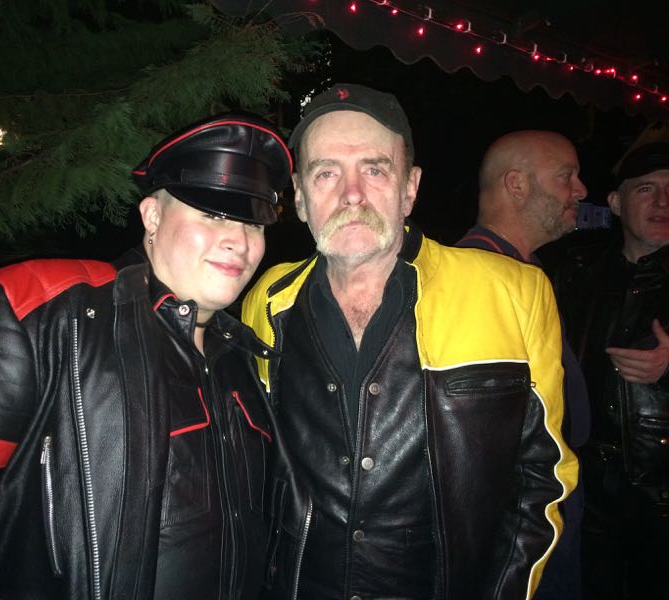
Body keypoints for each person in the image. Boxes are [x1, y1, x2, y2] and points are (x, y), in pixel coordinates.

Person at [0, 114, 292, 599]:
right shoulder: (40, 308)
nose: (238, 240)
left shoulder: (241, 361)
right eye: (211, 215)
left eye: (251, 222)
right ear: (152, 216)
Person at [242, 83, 578, 600]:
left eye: (375, 170)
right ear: (301, 198)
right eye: (326, 172)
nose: (352, 194)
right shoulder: (266, 300)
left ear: (410, 188)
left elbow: (543, 478)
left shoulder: (513, 293)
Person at [456, 130, 591, 600]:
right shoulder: (476, 280)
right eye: (566, 176)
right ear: (516, 185)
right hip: (521, 534)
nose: (581, 190)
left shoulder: (523, 272)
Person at [554, 141, 669, 600]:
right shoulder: (576, 271)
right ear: (617, 204)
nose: (662, 202)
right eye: (646, 189)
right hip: (584, 484)